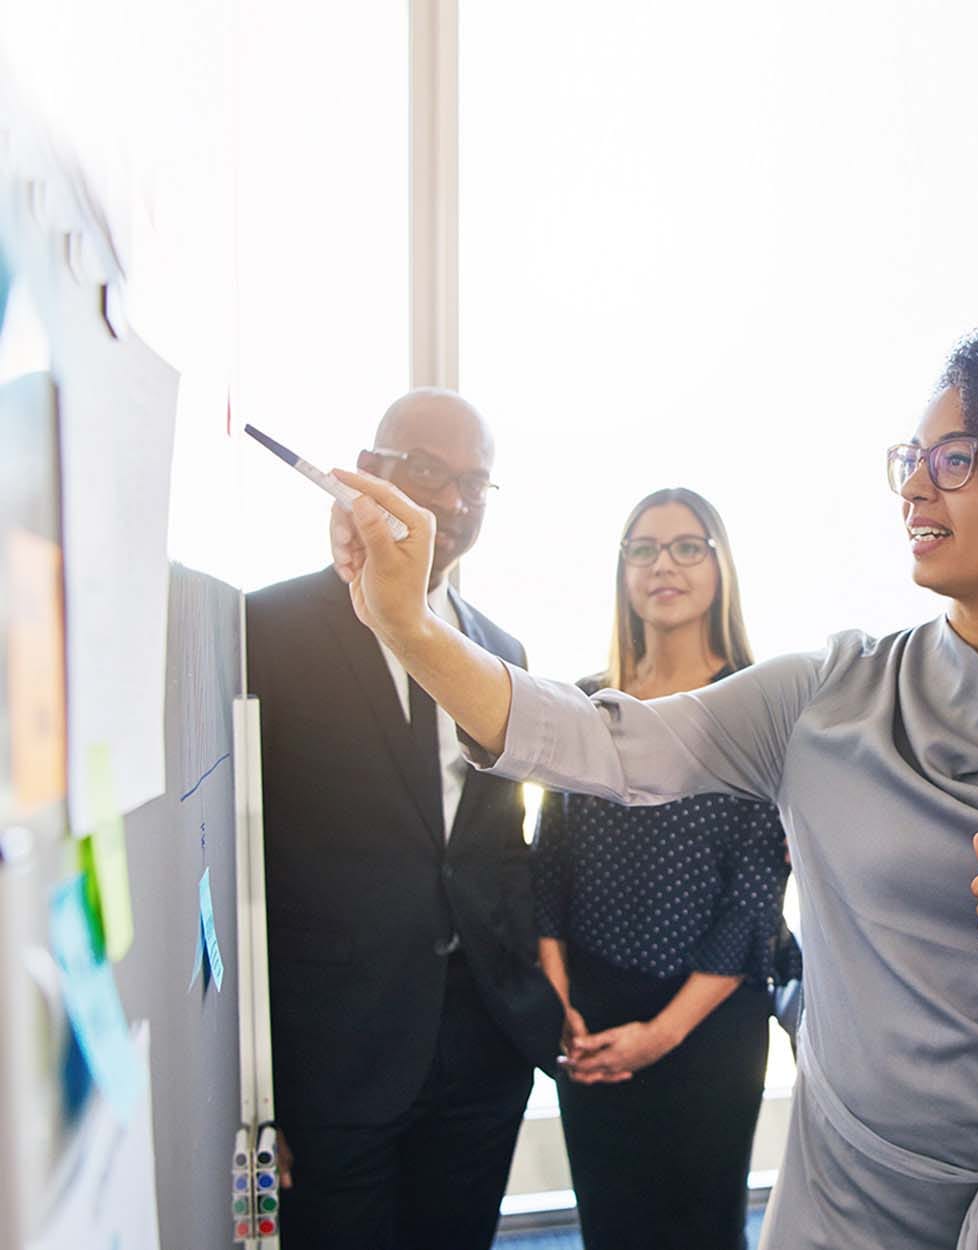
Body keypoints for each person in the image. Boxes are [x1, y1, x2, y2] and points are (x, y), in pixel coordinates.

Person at [327, 307, 978, 1249]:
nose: (913, 487)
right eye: (908, 458)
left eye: (952, 460)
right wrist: (412, 630)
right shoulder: (823, 697)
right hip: (854, 1203)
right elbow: (591, 742)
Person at [246, 389, 560, 1250]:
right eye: (430, 472)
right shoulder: (266, 628)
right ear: (372, 470)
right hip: (338, 1052)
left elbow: (497, 845)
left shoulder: (504, 652)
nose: (455, 503)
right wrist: (267, 1089)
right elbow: (253, 866)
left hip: (482, 1046)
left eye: (476, 484)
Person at [533, 487, 796, 1248]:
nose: (663, 565)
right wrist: (559, 1003)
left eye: (688, 546)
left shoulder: (758, 707)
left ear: (720, 566)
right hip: (591, 1008)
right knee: (610, 1224)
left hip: (709, 1020)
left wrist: (661, 1035)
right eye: (643, 548)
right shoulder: (588, 704)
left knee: (701, 1228)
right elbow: (549, 860)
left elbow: (754, 897)